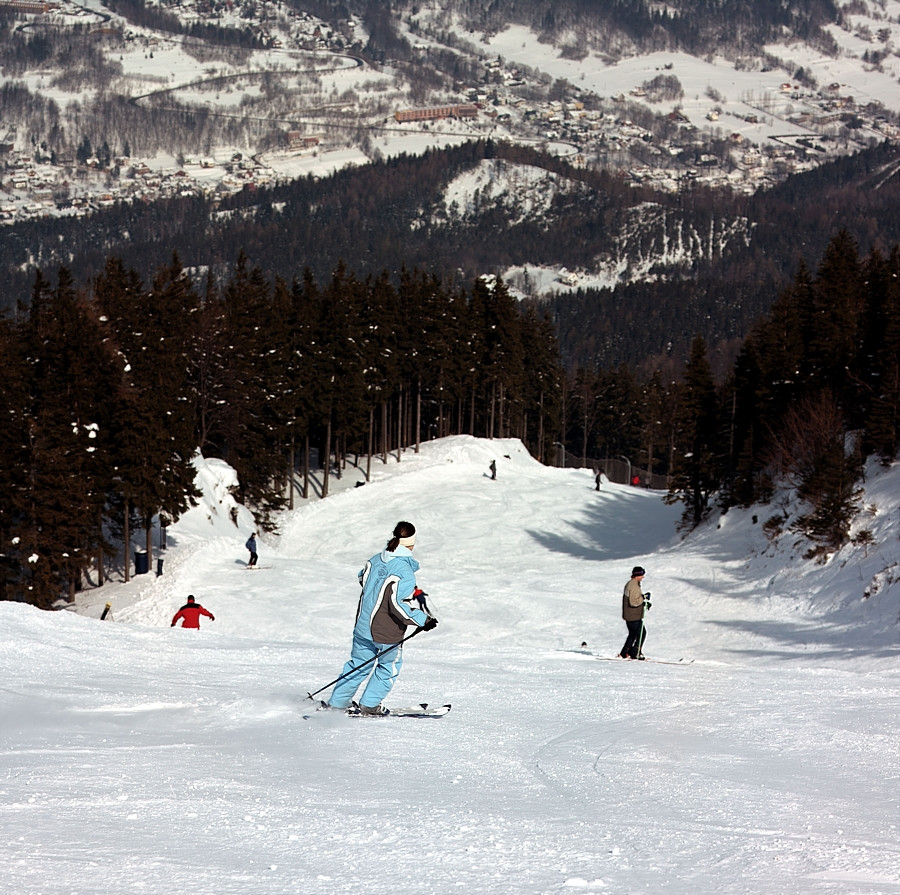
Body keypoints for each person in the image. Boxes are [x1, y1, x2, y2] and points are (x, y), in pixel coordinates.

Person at [328, 521, 437, 715]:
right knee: (388, 666)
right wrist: (423, 619)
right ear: (411, 544)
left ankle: (337, 702)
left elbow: (363, 578)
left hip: (363, 625)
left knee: (357, 665)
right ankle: (369, 704)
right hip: (386, 631)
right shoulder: (404, 570)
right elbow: (397, 605)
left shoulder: (375, 560)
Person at [619, 566, 649, 659]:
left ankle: (625, 652)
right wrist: (644, 597)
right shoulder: (634, 585)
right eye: (642, 575)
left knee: (633, 634)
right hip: (633, 615)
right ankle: (635, 653)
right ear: (638, 575)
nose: (643, 577)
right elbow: (634, 602)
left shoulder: (631, 584)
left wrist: (643, 602)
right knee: (641, 633)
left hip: (629, 614)